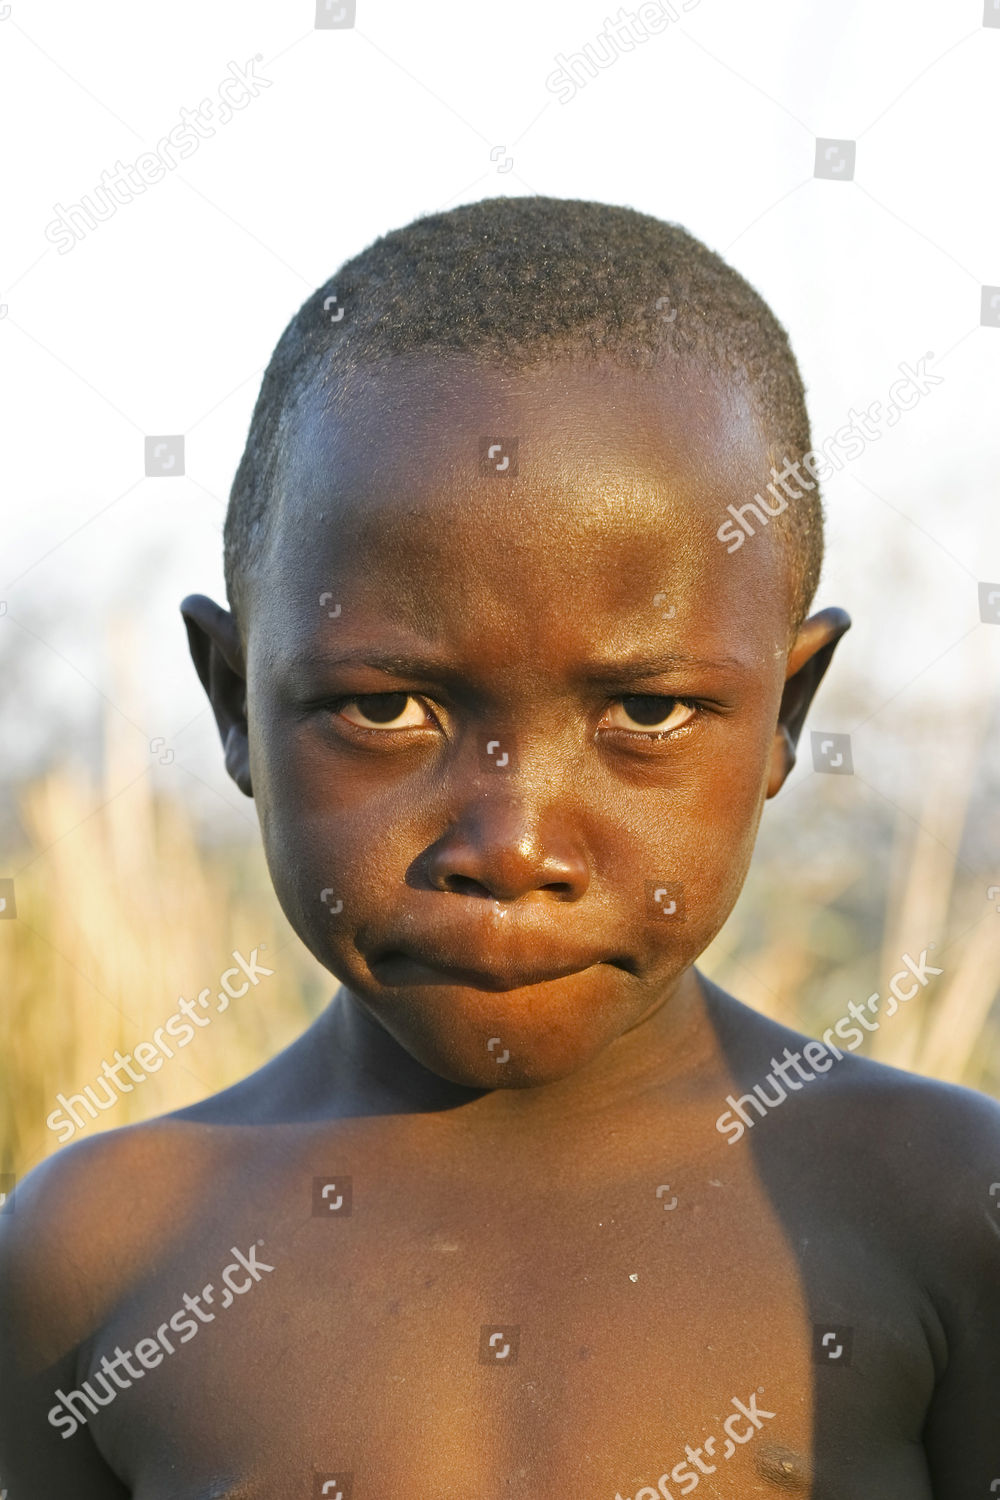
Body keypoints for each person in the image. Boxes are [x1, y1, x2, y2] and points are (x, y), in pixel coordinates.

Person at [2, 195, 997, 1499]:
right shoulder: (93, 1254)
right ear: (232, 699)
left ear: (785, 714)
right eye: (385, 708)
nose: (513, 845)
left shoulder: (940, 1214)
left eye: (646, 710)